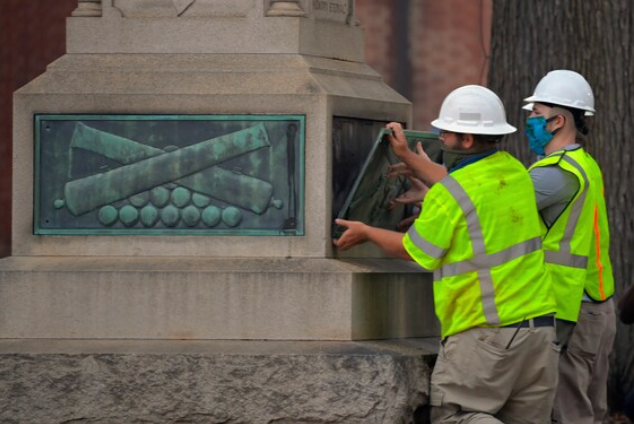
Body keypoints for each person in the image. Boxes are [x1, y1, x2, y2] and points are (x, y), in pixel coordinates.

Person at [334, 85, 559, 424]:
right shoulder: (514, 171)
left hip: (486, 335)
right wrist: (408, 157)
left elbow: (416, 250)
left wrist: (366, 232)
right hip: (539, 333)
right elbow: (461, 182)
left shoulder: (449, 195)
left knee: (457, 417)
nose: (440, 138)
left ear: (466, 140)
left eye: (446, 133)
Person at [522, 70, 616, 424]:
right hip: (596, 304)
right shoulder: (585, 164)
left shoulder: (556, 172)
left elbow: (490, 210)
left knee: (569, 414)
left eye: (535, 114)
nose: (530, 120)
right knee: (590, 410)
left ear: (557, 120)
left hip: (574, 310)